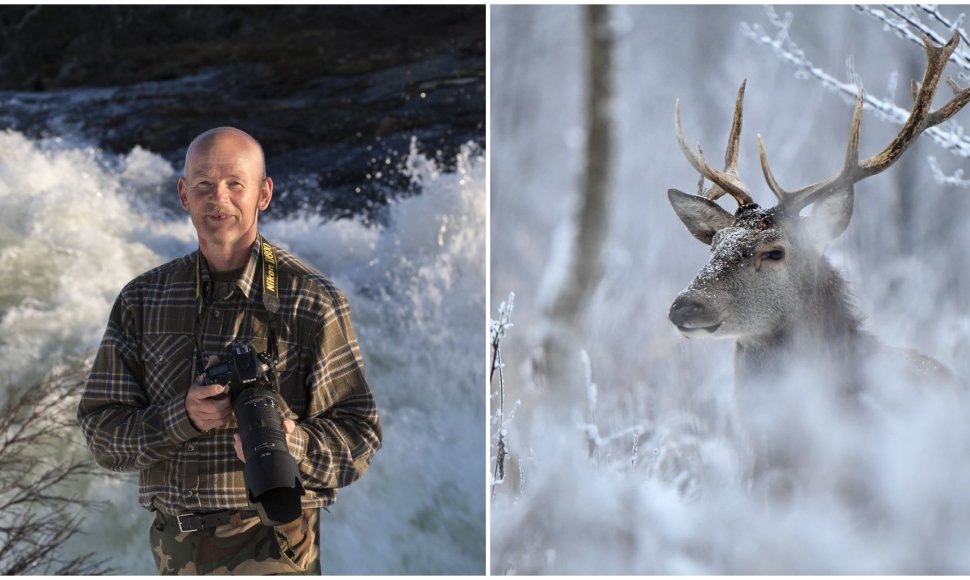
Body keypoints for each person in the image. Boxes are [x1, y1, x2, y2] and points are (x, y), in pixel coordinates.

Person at [78, 127, 382, 575]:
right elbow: (102, 433)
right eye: (203, 184)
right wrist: (183, 417)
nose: (217, 197)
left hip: (277, 546)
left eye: (235, 183)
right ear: (184, 194)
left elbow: (360, 438)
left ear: (264, 193)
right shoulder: (143, 300)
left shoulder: (311, 300)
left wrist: (287, 440)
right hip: (175, 551)